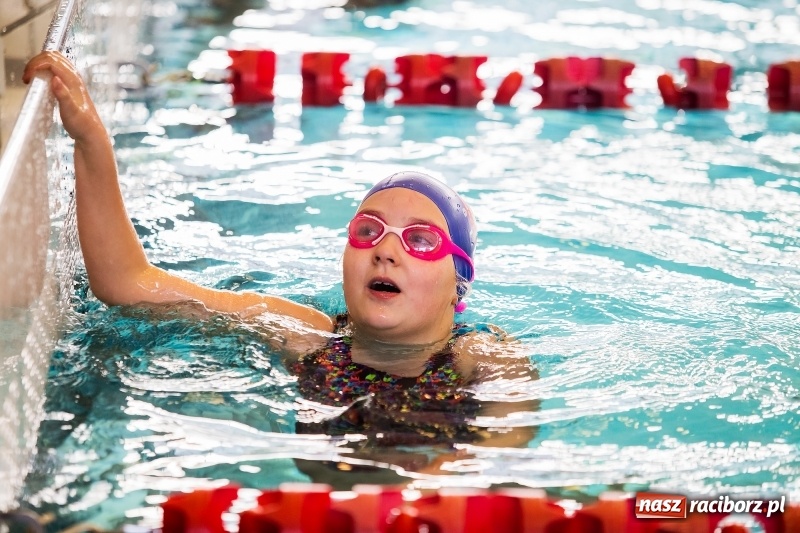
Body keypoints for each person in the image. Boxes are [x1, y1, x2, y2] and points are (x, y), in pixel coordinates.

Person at [23, 52, 536, 464]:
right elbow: (127, 284)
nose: (386, 250)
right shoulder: (306, 335)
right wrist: (90, 140)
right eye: (368, 231)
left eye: (420, 240)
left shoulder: (483, 358)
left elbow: (497, 461)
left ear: (459, 284)